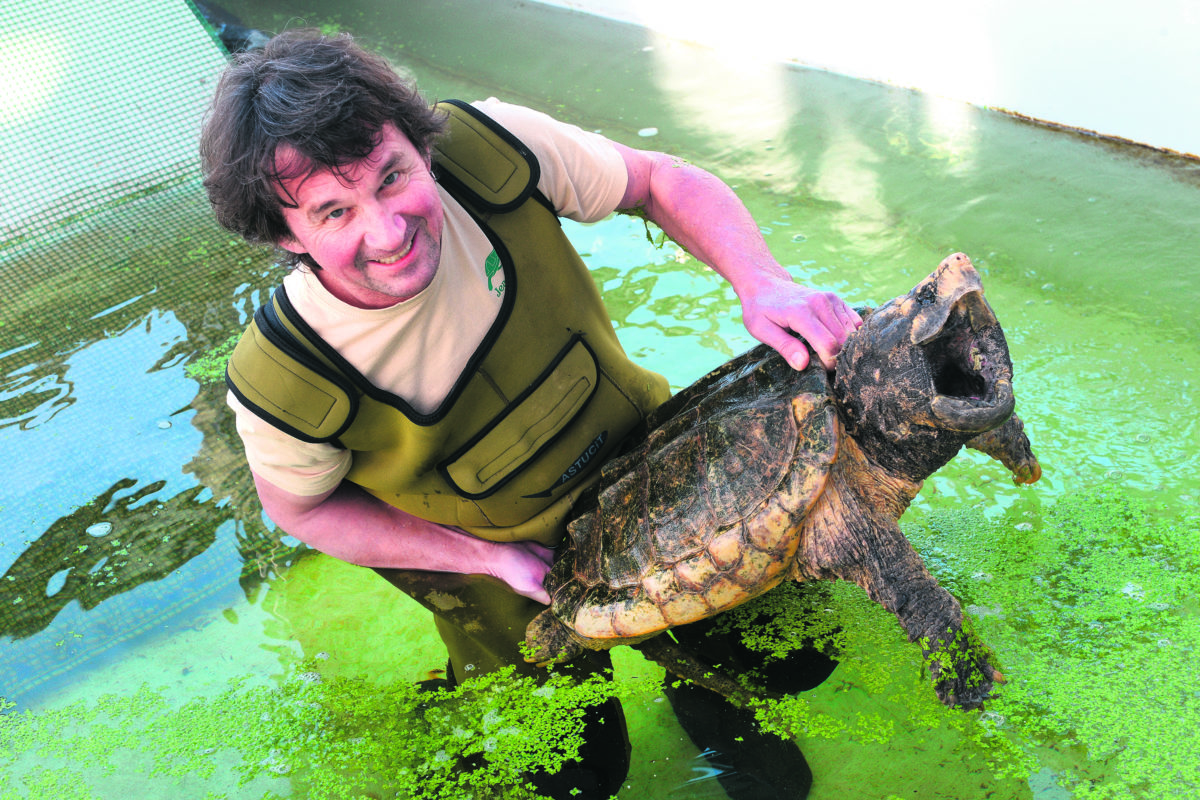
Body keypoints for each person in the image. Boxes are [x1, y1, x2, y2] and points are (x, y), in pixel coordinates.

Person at [201, 29, 859, 799]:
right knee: (576, 775)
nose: (387, 231)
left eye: (392, 177)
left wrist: (761, 281)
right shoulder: (284, 375)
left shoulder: (494, 150)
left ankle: (707, 704)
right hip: (488, 563)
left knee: (787, 665)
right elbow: (301, 509)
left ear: (420, 143)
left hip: (656, 479)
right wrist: (484, 559)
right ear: (287, 235)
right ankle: (455, 705)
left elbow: (654, 178)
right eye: (334, 212)